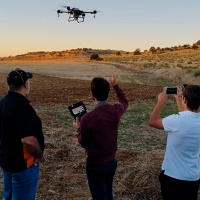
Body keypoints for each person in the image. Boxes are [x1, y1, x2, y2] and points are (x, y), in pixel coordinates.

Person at [73, 73, 128, 200]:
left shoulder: (87, 118)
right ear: (108, 92)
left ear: (92, 94)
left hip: (95, 164)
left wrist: (78, 129)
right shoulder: (115, 111)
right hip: (112, 161)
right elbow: (124, 101)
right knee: (108, 193)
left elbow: (84, 143)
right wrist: (116, 85)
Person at [148, 85, 200, 200]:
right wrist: (178, 98)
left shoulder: (175, 121)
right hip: (193, 177)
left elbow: (152, 121)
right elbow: (187, 117)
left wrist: (161, 102)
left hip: (173, 178)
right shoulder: (189, 121)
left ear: (185, 100)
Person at [0, 68, 45, 200]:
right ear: (25, 84)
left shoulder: (2, 102)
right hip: (23, 166)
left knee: (8, 196)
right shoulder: (23, 107)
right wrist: (38, 154)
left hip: (7, 163)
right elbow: (28, 140)